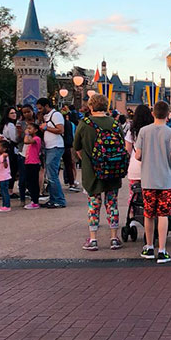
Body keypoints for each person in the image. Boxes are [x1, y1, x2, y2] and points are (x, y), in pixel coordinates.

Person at [74, 93, 124, 252]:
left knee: (93, 205)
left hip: (92, 172)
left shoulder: (85, 123)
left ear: (90, 106)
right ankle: (114, 238)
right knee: (112, 204)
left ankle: (93, 239)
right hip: (113, 170)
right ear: (106, 106)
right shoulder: (115, 124)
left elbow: (77, 147)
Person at [135, 100, 171, 263]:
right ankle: (162, 250)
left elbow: (137, 155)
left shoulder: (143, 131)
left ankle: (148, 247)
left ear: (153, 113)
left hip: (148, 179)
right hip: (165, 180)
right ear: (168, 115)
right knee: (163, 214)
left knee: (149, 214)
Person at [36, 97, 66, 208]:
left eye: (40, 108)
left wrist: (46, 128)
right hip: (49, 147)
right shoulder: (45, 116)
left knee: (52, 175)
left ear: (46, 106)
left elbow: (60, 130)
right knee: (50, 175)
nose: (39, 110)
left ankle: (59, 200)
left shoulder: (56, 115)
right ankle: (53, 199)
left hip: (56, 146)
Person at [125, 104, 154, 191]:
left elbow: (128, 149)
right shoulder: (153, 130)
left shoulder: (132, 131)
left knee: (134, 197)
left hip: (135, 167)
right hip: (151, 168)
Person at [0, 106, 21, 198]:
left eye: (15, 112)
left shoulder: (6, 124)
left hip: (8, 147)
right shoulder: (10, 125)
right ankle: (9, 190)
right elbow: (14, 138)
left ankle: (3, 189)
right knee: (12, 169)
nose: (14, 114)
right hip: (11, 148)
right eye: (12, 113)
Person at [22, 121, 42, 209]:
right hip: (28, 162)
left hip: (33, 163)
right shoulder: (32, 139)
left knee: (33, 182)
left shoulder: (37, 139)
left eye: (30, 128)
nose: (28, 130)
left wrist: (26, 134)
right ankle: (33, 199)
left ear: (36, 130)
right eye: (27, 128)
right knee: (29, 182)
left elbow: (26, 141)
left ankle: (35, 201)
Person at [0, 139, 12, 212]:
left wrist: (4, 159)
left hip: (4, 177)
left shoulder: (4, 156)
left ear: (4, 149)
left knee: (5, 192)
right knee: (3, 191)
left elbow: (6, 166)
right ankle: (4, 205)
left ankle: (7, 206)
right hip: (0, 177)